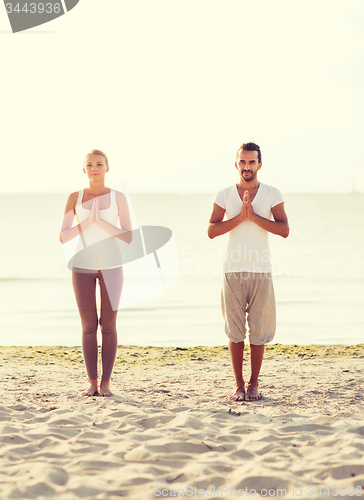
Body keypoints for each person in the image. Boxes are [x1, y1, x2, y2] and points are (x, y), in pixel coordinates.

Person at [208, 142, 289, 402]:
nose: (246, 166)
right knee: (234, 332)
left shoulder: (272, 193)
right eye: (242, 162)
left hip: (260, 272)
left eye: (251, 162)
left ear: (259, 164)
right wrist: (240, 218)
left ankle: (254, 384)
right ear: (236, 164)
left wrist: (254, 217)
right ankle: (238, 385)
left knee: (258, 331)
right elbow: (211, 230)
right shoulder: (224, 194)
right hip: (232, 271)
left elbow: (284, 229)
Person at [59, 150, 132, 397]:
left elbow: (129, 236)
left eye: (99, 164)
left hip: (112, 266)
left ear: (107, 167)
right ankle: (92, 382)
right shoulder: (74, 197)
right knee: (89, 326)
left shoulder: (118, 197)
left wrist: (102, 223)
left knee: (108, 325)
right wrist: (87, 223)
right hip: (82, 266)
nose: (94, 168)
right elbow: (63, 236)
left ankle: (107, 383)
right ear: (83, 170)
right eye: (89, 165)